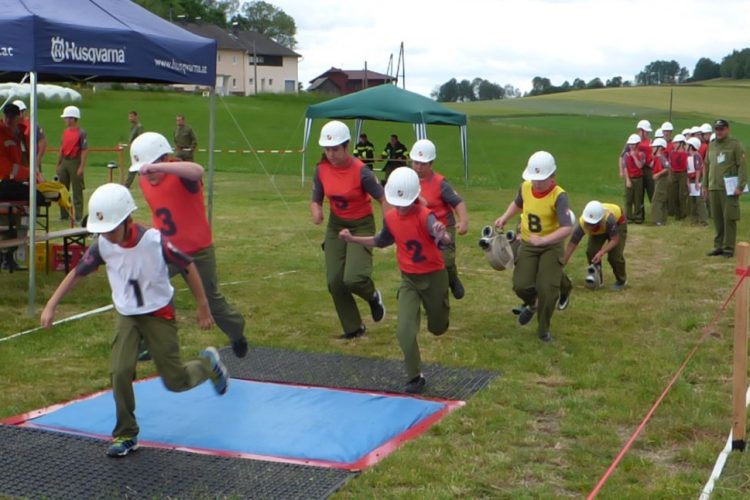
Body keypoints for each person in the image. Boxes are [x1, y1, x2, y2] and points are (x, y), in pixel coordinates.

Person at [40, 183, 229, 458]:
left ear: (128, 220)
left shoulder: (155, 241)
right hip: (127, 315)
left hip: (158, 314)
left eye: (111, 230)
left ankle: (207, 364)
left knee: (175, 381)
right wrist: (51, 305)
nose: (106, 237)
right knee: (119, 371)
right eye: (102, 232)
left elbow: (188, 265)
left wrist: (202, 306)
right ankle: (126, 433)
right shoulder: (103, 245)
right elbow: (76, 273)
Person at [129, 132, 248, 358]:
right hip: (168, 250)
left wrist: (164, 168)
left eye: (152, 169)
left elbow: (197, 171)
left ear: (164, 160)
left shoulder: (181, 175)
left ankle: (237, 332)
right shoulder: (145, 180)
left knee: (212, 303)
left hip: (198, 251)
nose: (148, 176)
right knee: (148, 286)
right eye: (144, 172)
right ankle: (150, 341)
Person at [339, 167, 450, 394]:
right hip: (409, 280)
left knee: (438, 328)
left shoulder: (424, 215)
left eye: (405, 202)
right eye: (397, 202)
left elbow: (443, 238)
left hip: (434, 278)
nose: (401, 207)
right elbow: (380, 241)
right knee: (404, 332)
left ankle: (440, 313)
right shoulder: (391, 218)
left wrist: (442, 234)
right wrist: (352, 239)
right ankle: (415, 376)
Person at [311, 120, 387, 339]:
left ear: (346, 146)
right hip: (336, 224)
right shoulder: (321, 169)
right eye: (327, 149)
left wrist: (389, 225)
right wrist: (317, 211)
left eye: (335, 149)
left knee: (353, 278)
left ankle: (372, 296)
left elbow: (382, 198)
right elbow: (316, 198)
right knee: (335, 281)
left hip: (361, 224)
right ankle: (353, 328)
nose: (331, 154)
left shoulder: (361, 171)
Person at [494, 151, 573, 342]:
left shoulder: (559, 196)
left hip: (550, 246)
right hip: (528, 243)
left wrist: (545, 240)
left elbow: (567, 227)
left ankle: (543, 330)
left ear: (552, 177)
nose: (537, 183)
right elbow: (517, 204)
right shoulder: (525, 187)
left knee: (547, 288)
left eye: (542, 179)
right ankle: (533, 303)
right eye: (534, 179)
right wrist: (505, 217)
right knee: (521, 285)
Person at [409, 138, 469, 299]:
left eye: (423, 163)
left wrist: (463, 221)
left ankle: (452, 278)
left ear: (431, 163)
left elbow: (457, 202)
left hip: (443, 226)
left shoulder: (440, 183)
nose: (418, 167)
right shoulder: (408, 180)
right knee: (423, 264)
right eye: (415, 162)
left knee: (446, 261)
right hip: (420, 229)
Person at [705, 119, 747, 258]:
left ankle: (728, 248)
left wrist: (741, 186)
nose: (719, 132)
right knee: (717, 218)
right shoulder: (711, 146)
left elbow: (742, 166)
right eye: (716, 129)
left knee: (729, 218)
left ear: (727, 129)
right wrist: (705, 185)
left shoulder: (734, 145)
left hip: (728, 188)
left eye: (721, 129)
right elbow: (707, 166)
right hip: (714, 187)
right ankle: (718, 246)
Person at [563, 201, 628, 290]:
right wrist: (562, 263)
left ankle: (621, 280)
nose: (589, 226)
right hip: (601, 228)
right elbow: (572, 244)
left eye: (592, 224)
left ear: (599, 220)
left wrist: (601, 252)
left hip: (618, 223)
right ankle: (597, 279)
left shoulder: (609, 219)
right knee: (591, 251)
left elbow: (615, 240)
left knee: (615, 256)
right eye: (588, 223)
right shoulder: (583, 223)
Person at [56, 105, 88, 224]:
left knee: (77, 190)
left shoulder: (81, 133)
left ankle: (78, 216)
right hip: (65, 160)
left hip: (75, 161)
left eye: (66, 118)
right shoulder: (65, 132)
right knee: (63, 189)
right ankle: (64, 214)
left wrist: (81, 166)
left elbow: (84, 150)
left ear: (72, 118)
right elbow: (61, 148)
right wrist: (58, 163)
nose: (65, 120)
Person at [13, 99, 47, 175]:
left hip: (30, 157)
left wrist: (37, 160)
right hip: (16, 159)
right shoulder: (10, 125)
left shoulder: (32, 124)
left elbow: (43, 142)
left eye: (21, 111)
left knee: (34, 180)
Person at [622, 134, 645, 223]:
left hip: (639, 179)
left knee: (637, 198)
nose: (631, 146)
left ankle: (637, 216)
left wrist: (634, 156)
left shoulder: (641, 154)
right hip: (630, 178)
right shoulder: (626, 155)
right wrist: (627, 179)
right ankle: (628, 216)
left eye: (633, 144)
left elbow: (640, 166)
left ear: (637, 144)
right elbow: (625, 168)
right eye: (630, 144)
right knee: (628, 198)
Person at [686, 137, 708, 225]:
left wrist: (696, 181)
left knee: (699, 200)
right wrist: (688, 181)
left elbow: (698, 169)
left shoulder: (696, 156)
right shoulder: (689, 156)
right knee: (693, 200)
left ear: (692, 146)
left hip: (697, 180)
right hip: (691, 179)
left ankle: (703, 220)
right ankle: (694, 218)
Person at [668, 134, 688, 220]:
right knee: (674, 194)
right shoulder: (672, 153)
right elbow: (670, 164)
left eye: (676, 143)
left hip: (683, 174)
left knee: (682, 194)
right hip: (674, 174)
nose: (674, 144)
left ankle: (683, 213)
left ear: (681, 143)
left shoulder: (686, 154)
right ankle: (677, 214)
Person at [650, 138, 670, 226]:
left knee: (657, 199)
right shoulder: (657, 157)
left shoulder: (661, 157)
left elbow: (667, 168)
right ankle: (662, 219)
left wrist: (658, 174)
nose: (652, 148)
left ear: (659, 148)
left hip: (662, 180)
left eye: (654, 147)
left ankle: (658, 220)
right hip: (659, 180)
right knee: (661, 199)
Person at [123, 111, 144, 188]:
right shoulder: (132, 126)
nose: (130, 118)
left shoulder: (139, 126)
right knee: (137, 167)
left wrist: (134, 144)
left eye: (132, 116)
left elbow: (140, 138)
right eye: (129, 116)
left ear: (136, 117)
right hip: (133, 150)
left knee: (136, 167)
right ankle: (128, 184)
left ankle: (127, 184)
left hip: (137, 150)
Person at [636, 120, 654, 208]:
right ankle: (639, 215)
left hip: (648, 169)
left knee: (652, 191)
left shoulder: (651, 142)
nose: (647, 134)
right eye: (646, 132)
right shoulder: (633, 141)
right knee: (639, 194)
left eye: (648, 132)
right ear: (640, 130)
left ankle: (656, 213)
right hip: (637, 170)